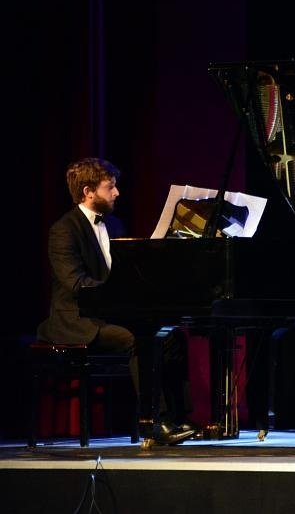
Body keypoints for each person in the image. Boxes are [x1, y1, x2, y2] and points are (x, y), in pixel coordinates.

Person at [36, 157, 196, 446]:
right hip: (76, 319)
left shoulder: (114, 225)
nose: (117, 192)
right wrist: (116, 294)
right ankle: (154, 423)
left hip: (108, 314)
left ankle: (178, 416)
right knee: (136, 340)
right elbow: (76, 284)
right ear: (88, 192)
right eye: (109, 187)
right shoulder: (63, 230)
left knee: (173, 338)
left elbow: (124, 273)